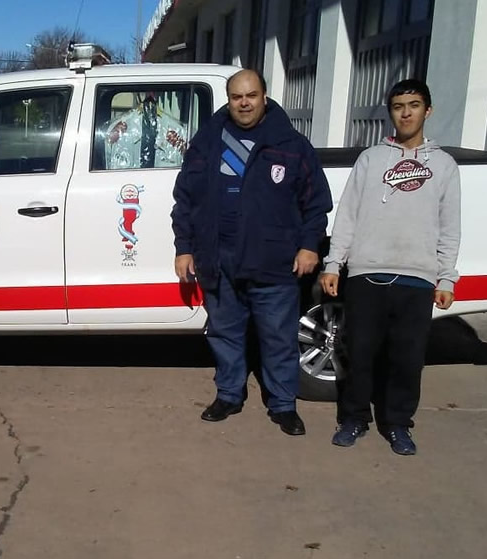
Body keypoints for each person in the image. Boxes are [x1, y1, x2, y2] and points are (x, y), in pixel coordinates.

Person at [171, 69, 333, 435]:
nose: (244, 103)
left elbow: (316, 203)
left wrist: (309, 245)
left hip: (272, 260)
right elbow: (186, 198)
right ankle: (229, 394)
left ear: (264, 96)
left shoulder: (290, 144)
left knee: (277, 336)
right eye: (236, 97)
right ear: (228, 100)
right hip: (219, 257)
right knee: (225, 333)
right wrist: (185, 247)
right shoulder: (208, 141)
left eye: (251, 95)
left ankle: (283, 404)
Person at [319, 79, 461, 456]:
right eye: (398, 106)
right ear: (391, 112)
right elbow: (347, 215)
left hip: (417, 277)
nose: (406, 113)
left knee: (407, 360)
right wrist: (335, 263)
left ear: (427, 111)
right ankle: (353, 418)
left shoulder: (444, 166)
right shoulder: (371, 159)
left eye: (414, 105)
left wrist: (446, 276)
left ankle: (397, 424)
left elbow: (450, 227)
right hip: (367, 274)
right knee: (360, 353)